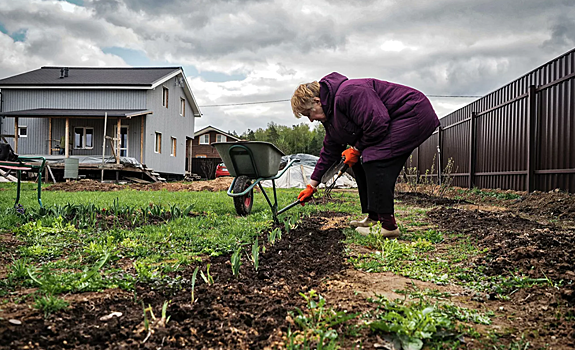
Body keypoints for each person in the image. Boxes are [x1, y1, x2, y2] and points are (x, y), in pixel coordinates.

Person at [292, 72, 440, 238]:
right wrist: (312, 185)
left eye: (308, 114)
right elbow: (329, 151)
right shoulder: (332, 117)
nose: (311, 120)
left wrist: (356, 148)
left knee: (374, 157)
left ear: (317, 101)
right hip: (396, 119)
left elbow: (378, 123)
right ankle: (374, 217)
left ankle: (388, 226)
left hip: (412, 113)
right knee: (359, 161)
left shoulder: (349, 92)